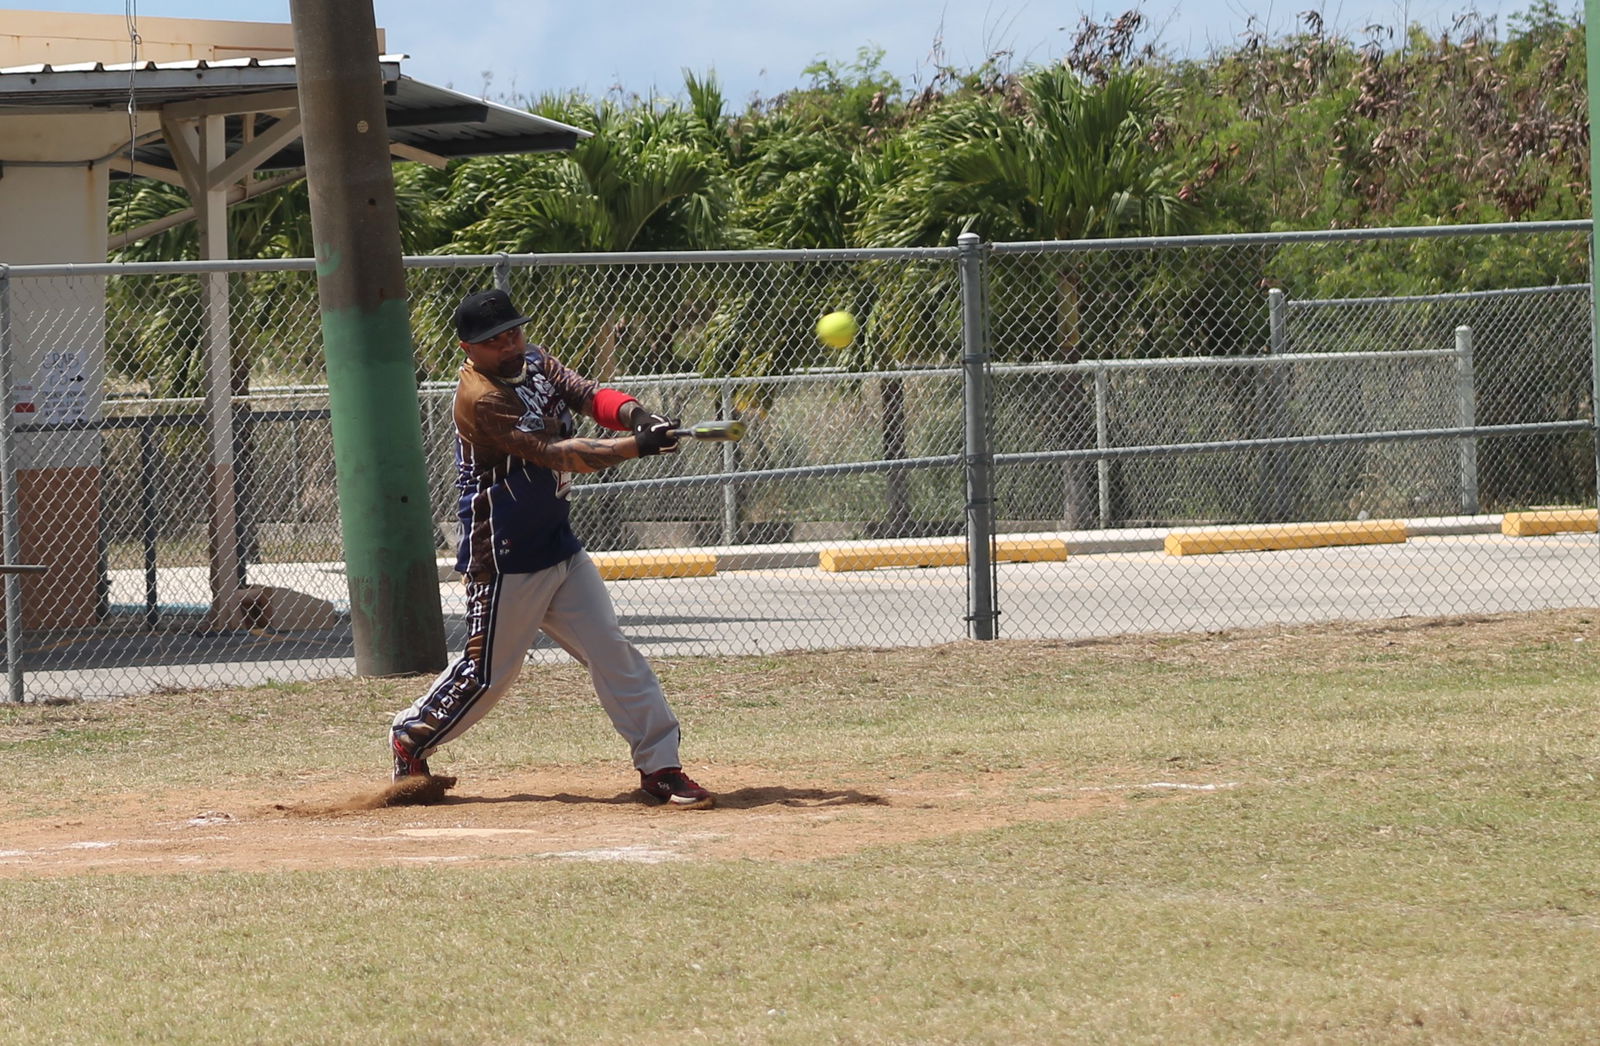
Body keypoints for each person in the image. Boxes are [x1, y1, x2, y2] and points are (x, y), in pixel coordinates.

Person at [389, 288, 713, 809]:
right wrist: (636, 447)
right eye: (494, 341)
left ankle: (662, 769)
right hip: (506, 554)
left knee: (612, 651)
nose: (510, 344)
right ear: (467, 348)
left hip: (558, 545)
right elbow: (554, 454)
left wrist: (638, 417)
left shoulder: (535, 361)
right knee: (489, 676)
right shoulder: (482, 397)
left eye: (513, 331)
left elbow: (586, 394)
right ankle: (411, 737)